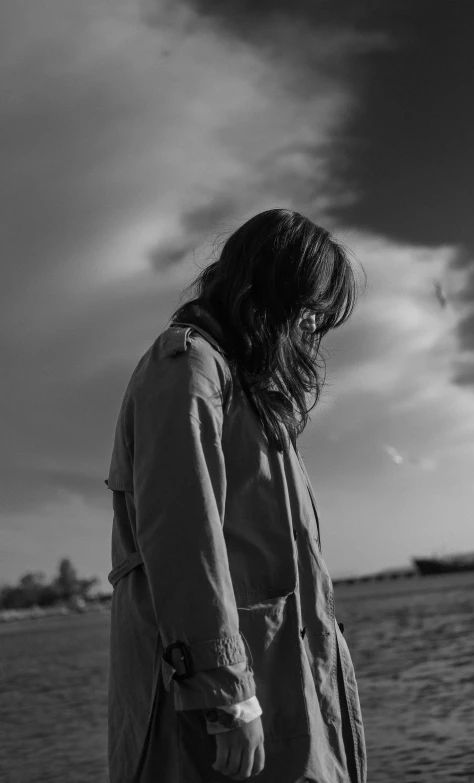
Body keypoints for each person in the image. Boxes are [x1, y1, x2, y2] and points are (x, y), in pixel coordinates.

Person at [106, 208, 367, 783]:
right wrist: (227, 696)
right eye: (306, 311)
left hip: (282, 679)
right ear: (266, 294)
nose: (308, 329)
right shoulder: (188, 367)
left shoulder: (246, 386)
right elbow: (184, 538)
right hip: (224, 699)